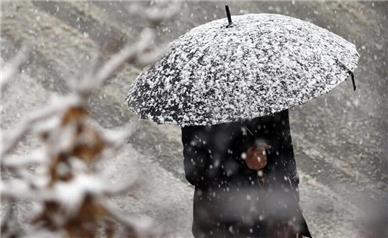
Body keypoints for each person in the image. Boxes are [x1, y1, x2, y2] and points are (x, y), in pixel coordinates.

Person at [181, 109, 312, 238]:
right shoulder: (199, 101)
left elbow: (284, 148)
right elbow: (195, 171)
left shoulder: (269, 93)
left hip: (274, 209)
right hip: (224, 217)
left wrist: (292, 195)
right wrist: (242, 158)